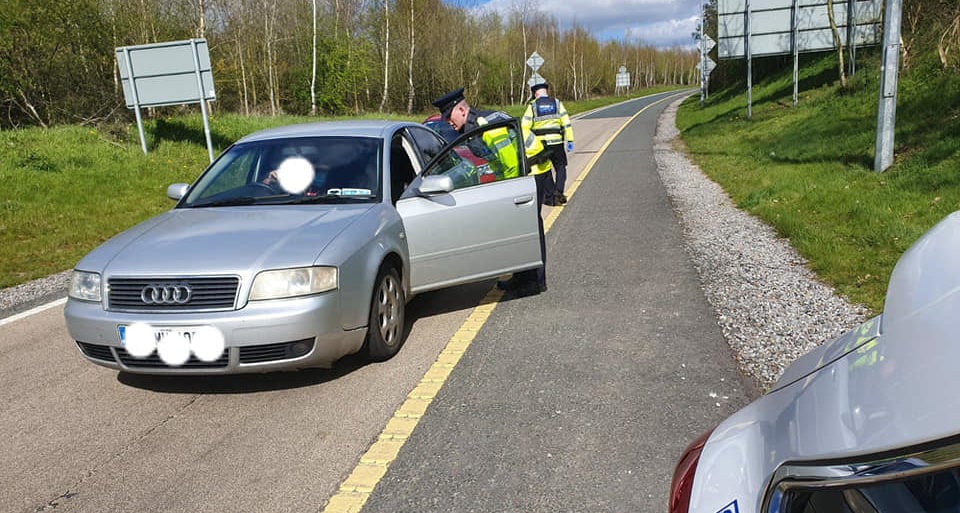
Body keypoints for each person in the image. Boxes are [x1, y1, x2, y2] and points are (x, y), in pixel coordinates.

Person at [432, 88, 552, 295]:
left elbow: (510, 162)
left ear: (461, 109)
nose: (447, 122)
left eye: (449, 116)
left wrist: (508, 193)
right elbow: (497, 162)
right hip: (524, 169)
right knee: (518, 227)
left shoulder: (486, 126)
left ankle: (534, 282)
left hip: (532, 170)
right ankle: (522, 276)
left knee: (528, 226)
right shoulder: (476, 124)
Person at [524, 82, 574, 206]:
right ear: (546, 92)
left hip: (541, 144)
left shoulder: (533, 106)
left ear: (536, 94)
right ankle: (559, 191)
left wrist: (528, 144)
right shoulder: (557, 103)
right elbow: (566, 122)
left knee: (545, 169)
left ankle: (550, 197)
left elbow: (525, 126)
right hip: (557, 142)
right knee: (560, 166)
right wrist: (570, 139)